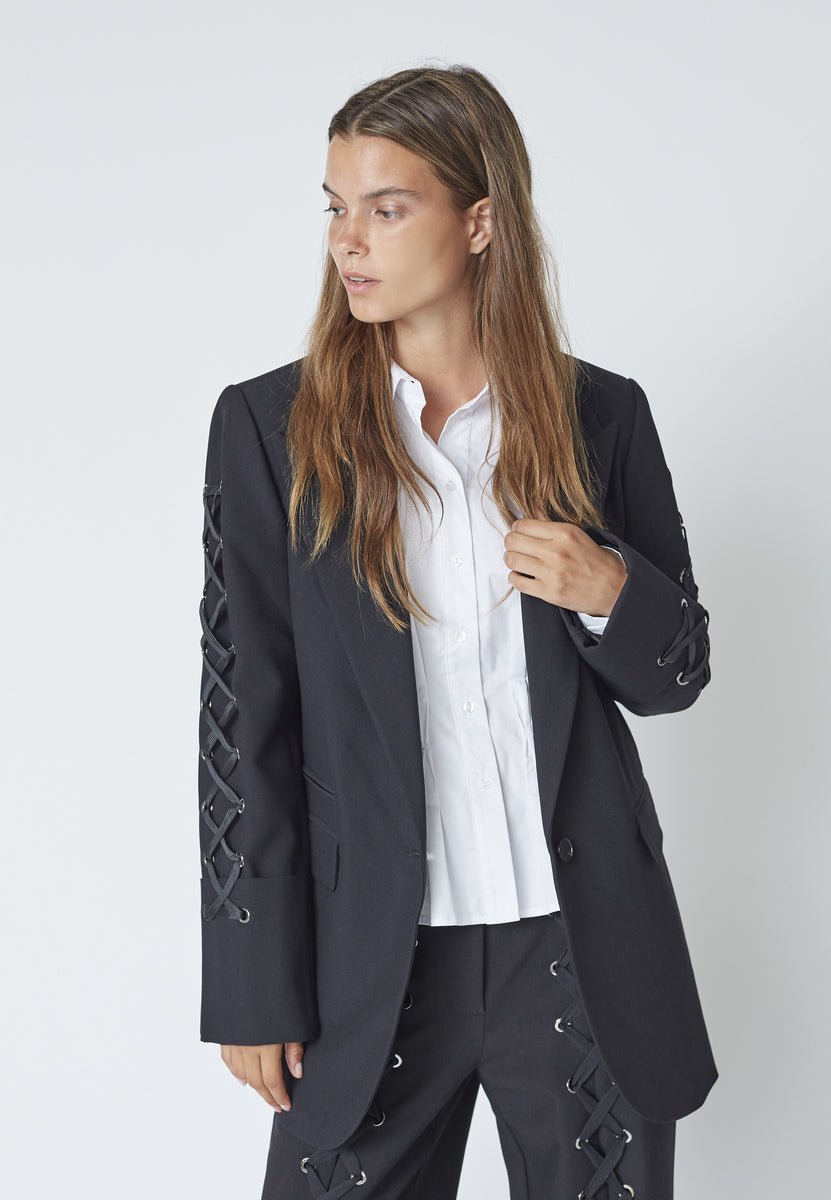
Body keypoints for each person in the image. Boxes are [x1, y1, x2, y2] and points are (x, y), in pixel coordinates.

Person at [197, 64, 716, 1200]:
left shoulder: (598, 415)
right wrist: (250, 982)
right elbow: (244, 727)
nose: (348, 240)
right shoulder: (272, 431)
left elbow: (678, 674)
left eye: (387, 208)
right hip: (371, 961)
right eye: (336, 207)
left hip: (578, 950)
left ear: (479, 222)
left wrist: (607, 587)